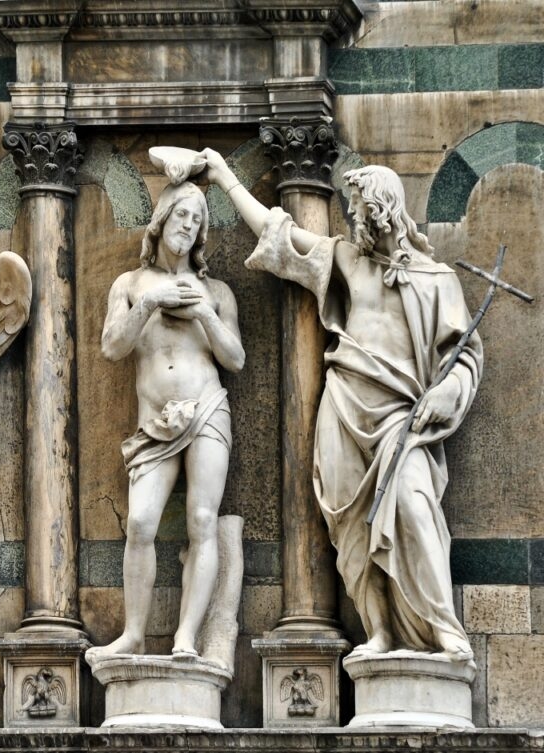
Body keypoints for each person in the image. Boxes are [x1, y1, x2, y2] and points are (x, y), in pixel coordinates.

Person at [202, 151, 481, 659]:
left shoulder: (437, 279)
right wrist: (223, 175)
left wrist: (448, 390)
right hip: (345, 407)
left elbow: (463, 356)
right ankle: (380, 631)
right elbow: (278, 232)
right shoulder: (349, 262)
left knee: (413, 505)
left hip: (401, 416)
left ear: (384, 208)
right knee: (351, 528)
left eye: (359, 207)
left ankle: (445, 629)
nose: (353, 217)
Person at [90, 181, 245, 659]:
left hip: (207, 409)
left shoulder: (216, 291)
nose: (188, 226)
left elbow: (235, 358)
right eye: (182, 215)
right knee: (140, 523)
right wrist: (151, 302)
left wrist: (204, 314)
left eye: (197, 221)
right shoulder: (130, 284)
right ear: (161, 221)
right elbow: (112, 347)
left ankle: (185, 637)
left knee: (202, 519)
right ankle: (134, 633)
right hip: (154, 421)